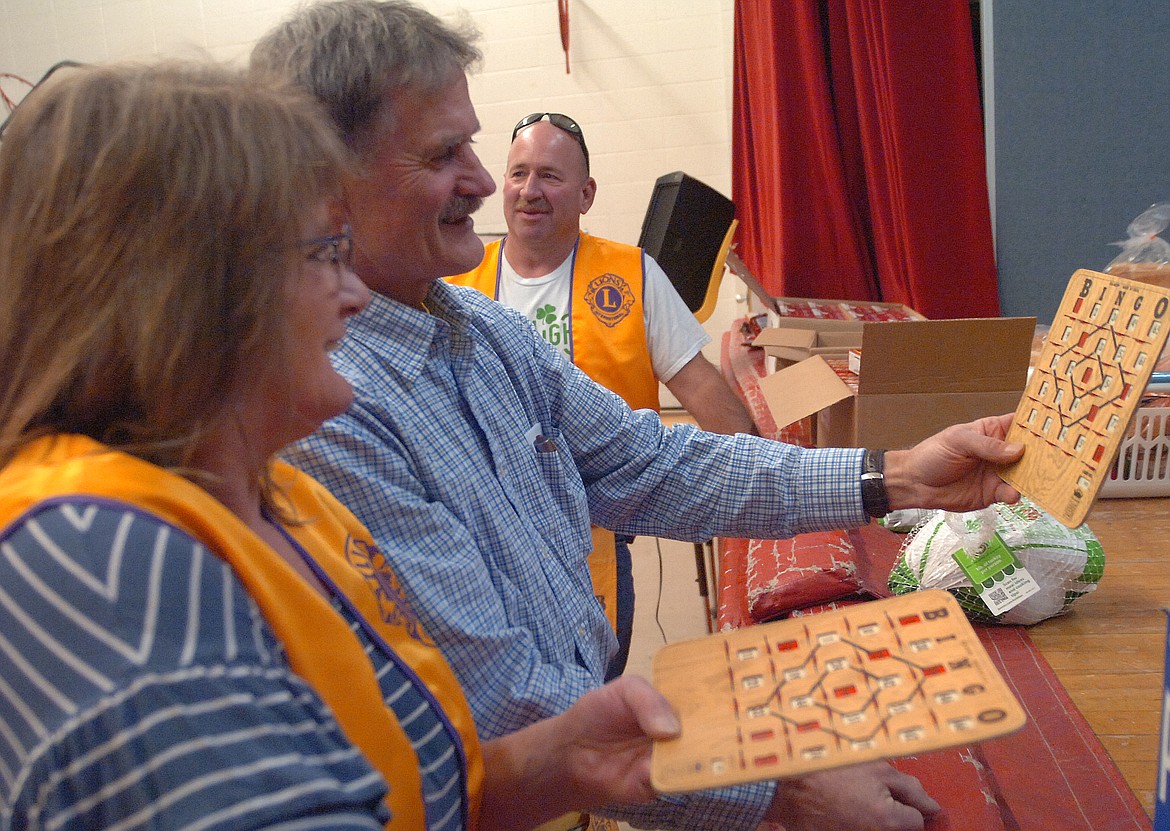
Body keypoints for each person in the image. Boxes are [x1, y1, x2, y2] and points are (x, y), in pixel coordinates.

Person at [253, 3, 1025, 829]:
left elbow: (658, 462)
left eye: (478, 148)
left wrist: (900, 473)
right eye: (448, 154)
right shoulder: (324, 406)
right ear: (326, 182)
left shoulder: (487, 333)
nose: (486, 183)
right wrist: (779, 788)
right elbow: (506, 706)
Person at [0, 59, 684, 831]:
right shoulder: (100, 560)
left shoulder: (283, 498)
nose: (356, 294)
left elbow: (400, 784)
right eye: (325, 253)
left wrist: (553, 764)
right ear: (191, 294)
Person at [449, 112, 755, 677]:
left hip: (596, 546)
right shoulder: (456, 285)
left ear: (587, 193)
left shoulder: (632, 275)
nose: (530, 191)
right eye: (518, 174)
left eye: (549, 176)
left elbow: (707, 395)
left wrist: (759, 485)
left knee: (589, 700)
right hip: (486, 547)